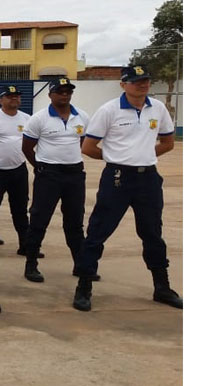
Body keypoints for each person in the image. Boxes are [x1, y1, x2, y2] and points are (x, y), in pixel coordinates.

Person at [72, 66, 181, 311]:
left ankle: (162, 287)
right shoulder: (109, 110)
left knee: (152, 233)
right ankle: (84, 286)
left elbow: (167, 143)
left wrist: (141, 156)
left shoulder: (158, 108)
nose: (141, 85)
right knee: (99, 232)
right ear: (123, 84)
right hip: (117, 177)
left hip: (148, 179)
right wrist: (117, 159)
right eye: (135, 81)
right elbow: (88, 147)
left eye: (145, 80)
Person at [21, 78, 89, 283]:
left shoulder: (82, 116)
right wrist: (39, 167)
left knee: (75, 221)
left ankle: (81, 264)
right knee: (39, 220)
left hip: (75, 174)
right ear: (50, 94)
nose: (64, 95)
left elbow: (83, 142)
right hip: (49, 174)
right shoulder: (39, 119)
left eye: (68, 91)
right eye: (60, 92)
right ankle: (31, 264)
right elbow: (27, 148)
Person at [0, 85, 31, 253]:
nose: (14, 99)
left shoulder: (26, 119)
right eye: (10, 96)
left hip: (18, 170)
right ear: (1, 100)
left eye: (17, 96)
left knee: (20, 209)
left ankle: (25, 244)